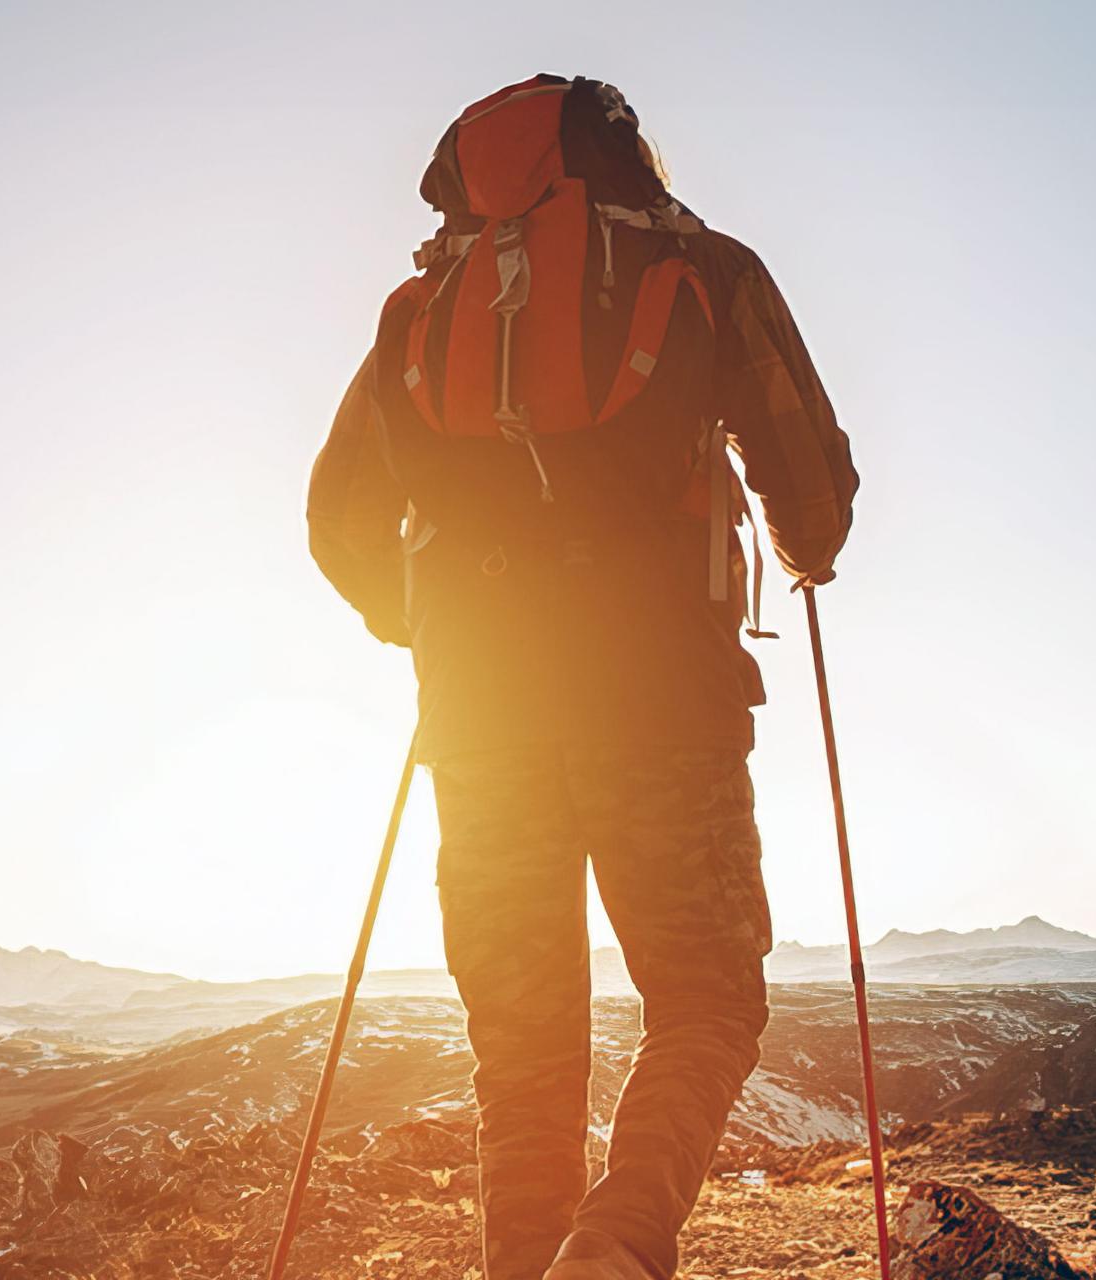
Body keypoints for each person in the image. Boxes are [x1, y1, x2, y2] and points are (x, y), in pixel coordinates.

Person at [307, 75, 858, 1280]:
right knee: (709, 1000)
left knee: (523, 1046)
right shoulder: (704, 267)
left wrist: (436, 627)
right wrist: (808, 548)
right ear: (627, 161)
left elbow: (339, 521)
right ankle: (612, 1250)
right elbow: (811, 481)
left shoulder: (422, 307)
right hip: (663, 699)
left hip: (481, 711)